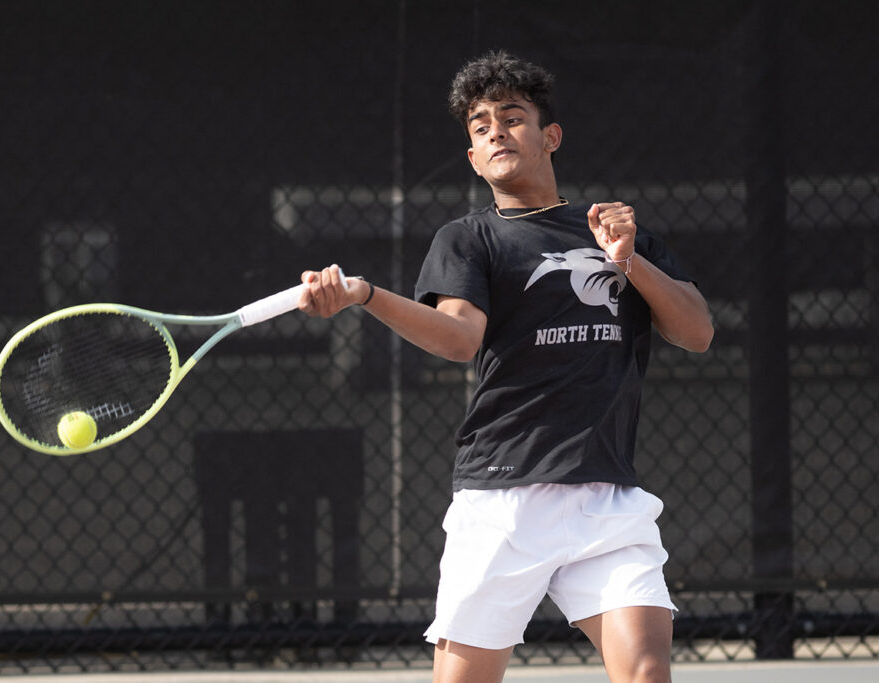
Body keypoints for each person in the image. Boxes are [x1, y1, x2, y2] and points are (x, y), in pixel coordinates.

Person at [297, 50, 713, 683]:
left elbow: (697, 332)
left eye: (511, 117)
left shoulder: (615, 229)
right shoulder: (468, 239)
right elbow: (461, 338)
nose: (496, 131)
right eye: (480, 126)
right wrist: (365, 295)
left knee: (647, 673)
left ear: (550, 137)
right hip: (502, 495)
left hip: (606, 496)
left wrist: (626, 260)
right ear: (473, 157)